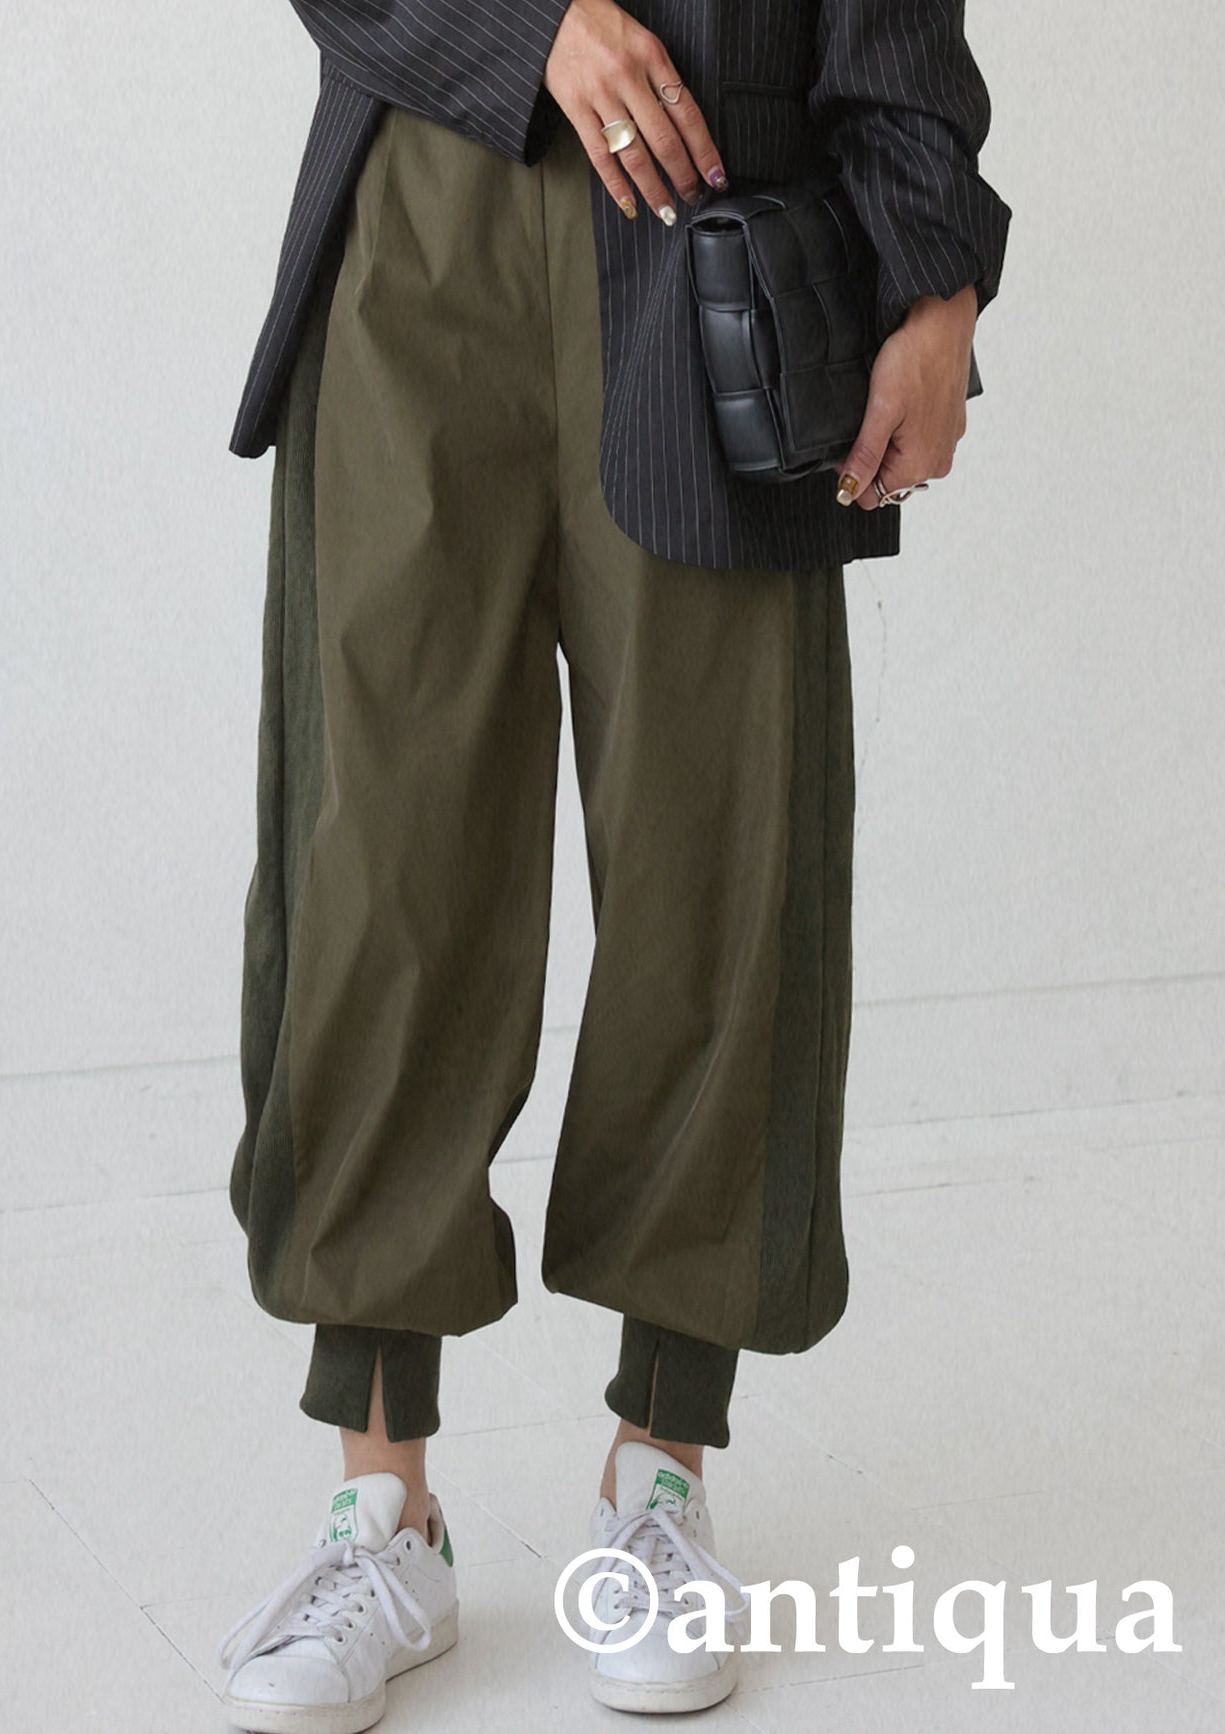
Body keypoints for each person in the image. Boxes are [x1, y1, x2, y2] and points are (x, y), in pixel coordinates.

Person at [216, 1, 1010, 1728]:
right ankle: (382, 1512)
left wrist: (934, 281)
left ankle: (658, 1476)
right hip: (421, 214)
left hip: (727, 243)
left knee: (718, 865)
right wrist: (529, 32)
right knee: (380, 871)